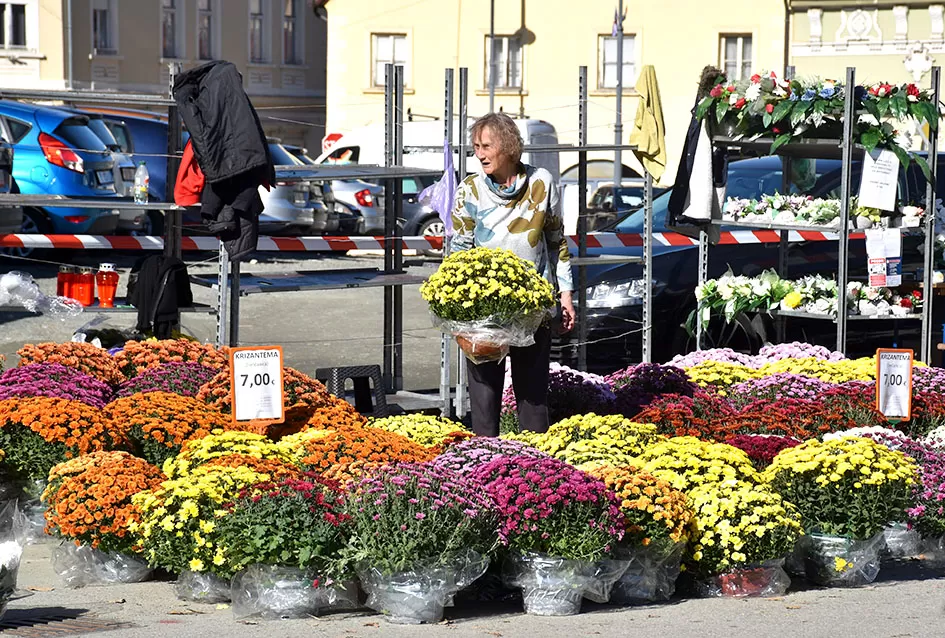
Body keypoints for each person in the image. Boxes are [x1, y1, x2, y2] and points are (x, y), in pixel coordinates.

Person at [450, 112, 574, 437]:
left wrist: (566, 296)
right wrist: (454, 308)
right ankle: (484, 467)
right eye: (476, 146)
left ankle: (536, 471)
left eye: (486, 146)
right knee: (484, 398)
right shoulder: (470, 190)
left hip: (534, 307)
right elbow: (458, 250)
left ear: (507, 146)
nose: (479, 154)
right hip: (483, 310)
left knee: (533, 399)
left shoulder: (542, 183)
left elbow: (556, 242)